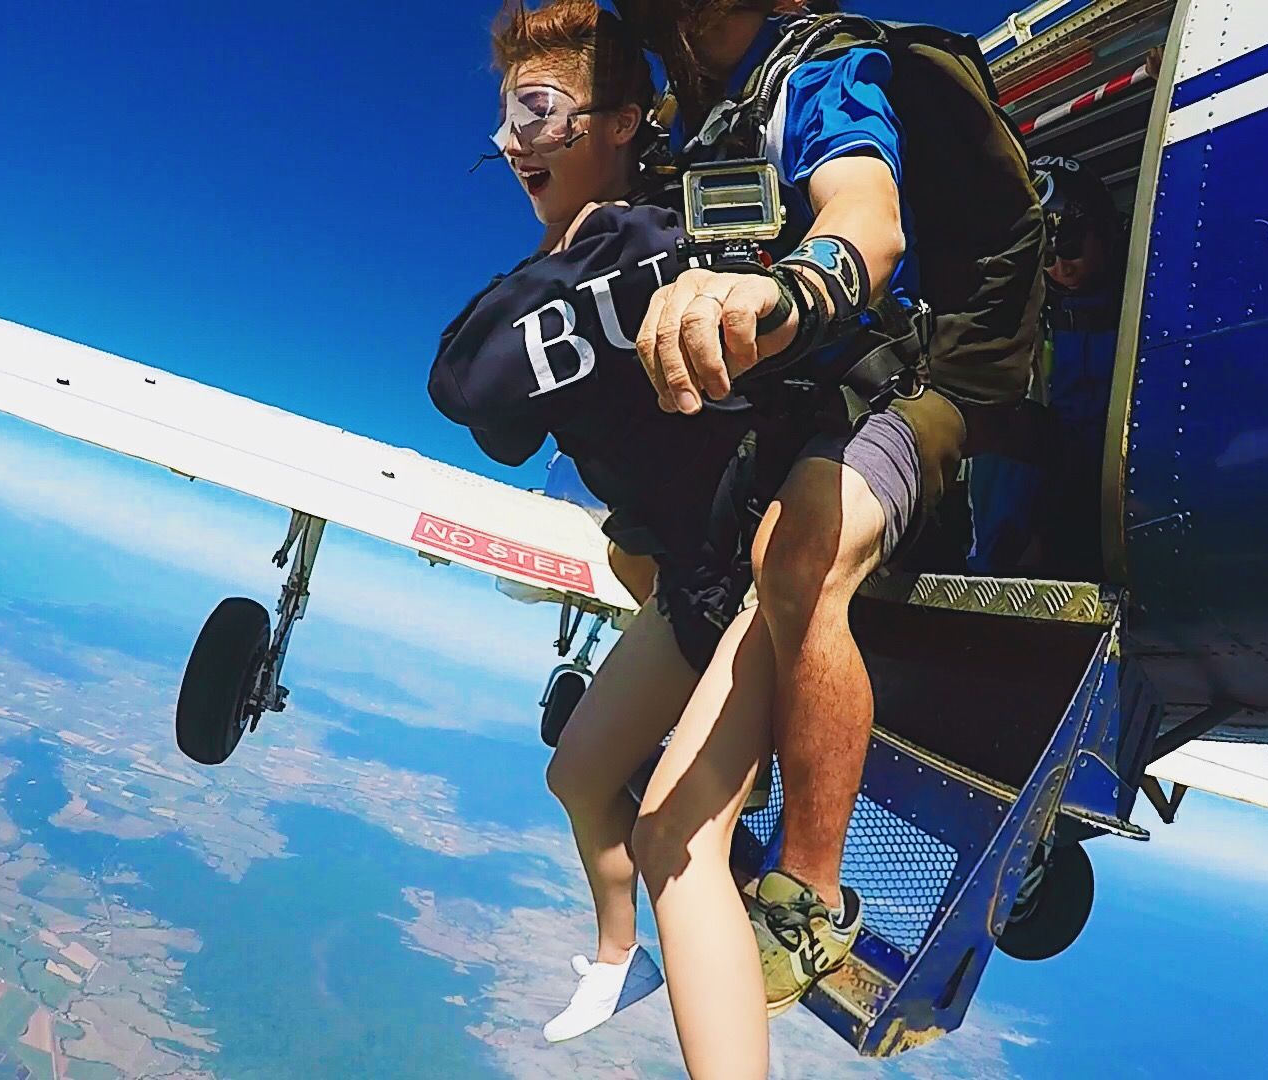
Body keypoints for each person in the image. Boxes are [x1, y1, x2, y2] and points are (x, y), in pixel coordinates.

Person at [613, 0, 1046, 1055]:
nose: (682, 26)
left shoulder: (819, 72)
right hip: (813, 400)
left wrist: (796, 284)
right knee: (638, 540)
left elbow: (867, 214)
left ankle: (810, 896)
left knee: (799, 549)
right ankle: (755, 738)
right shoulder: (700, 115)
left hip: (923, 378)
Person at [429, 0, 787, 1048]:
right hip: (694, 579)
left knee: (678, 841)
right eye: (505, 121)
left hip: (767, 570)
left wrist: (559, 277)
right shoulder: (587, 253)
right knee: (577, 773)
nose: (510, 145)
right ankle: (617, 958)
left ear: (622, 121)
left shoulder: (651, 240)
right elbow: (492, 399)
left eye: (538, 114)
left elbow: (470, 382)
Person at [968, 154, 1125, 580]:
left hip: (1122, 460)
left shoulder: (1140, 291)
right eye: (1047, 253)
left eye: (1071, 245)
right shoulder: (1032, 306)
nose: (1061, 265)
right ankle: (992, 570)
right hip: (1066, 461)